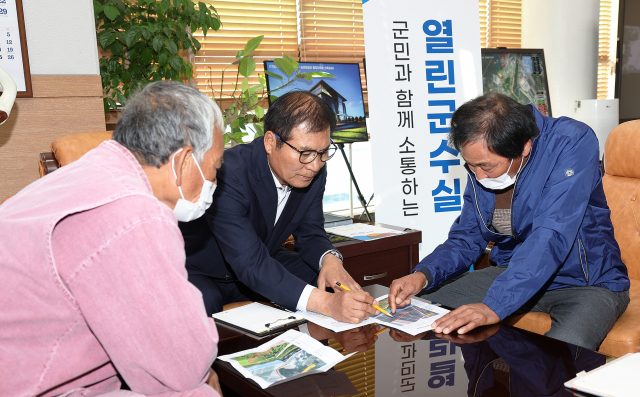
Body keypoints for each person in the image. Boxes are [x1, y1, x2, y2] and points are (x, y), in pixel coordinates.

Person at [0, 81, 224, 396]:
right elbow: (184, 364)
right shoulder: (134, 213)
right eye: (214, 169)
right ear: (184, 160)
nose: (214, 182)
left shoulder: (86, 174)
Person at [388, 92, 630, 350]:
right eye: (470, 165)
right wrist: (423, 275)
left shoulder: (571, 140)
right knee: (420, 307)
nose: (478, 175)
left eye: (486, 166)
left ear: (525, 147)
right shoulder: (482, 163)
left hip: (586, 283)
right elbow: (466, 238)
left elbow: (551, 235)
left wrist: (494, 305)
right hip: (512, 274)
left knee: (562, 355)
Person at [180, 90, 379, 323]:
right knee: (203, 302)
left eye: (323, 152)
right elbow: (250, 263)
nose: (315, 165)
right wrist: (326, 304)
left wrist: (330, 260)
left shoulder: (312, 170)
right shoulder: (229, 173)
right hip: (204, 271)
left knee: (321, 280)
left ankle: (315, 351)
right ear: (271, 142)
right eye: (305, 153)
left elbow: (311, 232)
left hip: (264, 258)